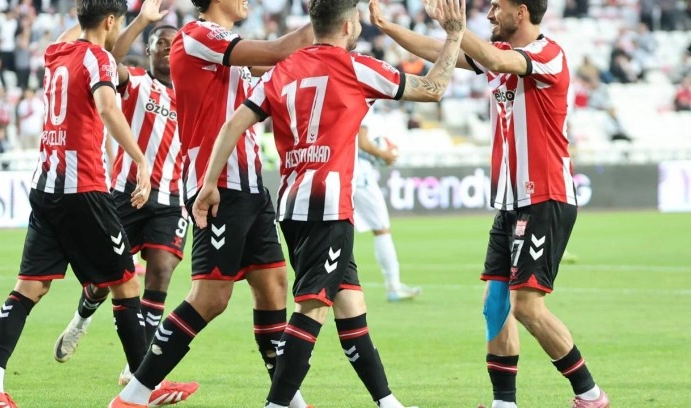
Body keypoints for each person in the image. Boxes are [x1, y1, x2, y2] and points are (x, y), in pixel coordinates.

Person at [195, 0, 465, 407]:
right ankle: (276, 403)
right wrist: (455, 35)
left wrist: (209, 183)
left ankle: (387, 402)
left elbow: (233, 123)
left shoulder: (282, 70)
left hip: (292, 205)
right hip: (328, 206)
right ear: (349, 25)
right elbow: (433, 88)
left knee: (351, 304)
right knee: (312, 308)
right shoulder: (356, 67)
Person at [368, 0, 610, 407]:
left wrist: (456, 28)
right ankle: (504, 403)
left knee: (527, 307)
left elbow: (493, 58)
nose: (490, 13)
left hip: (545, 196)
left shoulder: (547, 54)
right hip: (511, 201)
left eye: (497, 6)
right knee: (495, 304)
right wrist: (386, 27)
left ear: (521, 12)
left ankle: (590, 394)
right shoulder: (497, 56)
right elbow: (440, 49)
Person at [109, 0, 315, 407]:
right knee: (210, 297)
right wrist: (327, 15)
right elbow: (279, 50)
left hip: (250, 183)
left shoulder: (226, 48)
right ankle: (133, 395)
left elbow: (281, 61)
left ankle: (288, 402)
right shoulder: (197, 35)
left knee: (274, 287)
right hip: (218, 183)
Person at [0, 0, 162, 405]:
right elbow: (108, 107)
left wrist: (133, 18)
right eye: (118, 24)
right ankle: (143, 389)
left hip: (45, 186)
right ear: (109, 22)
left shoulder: (58, 51)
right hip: (84, 188)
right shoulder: (99, 59)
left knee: (29, 287)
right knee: (127, 283)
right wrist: (141, 160)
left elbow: (85, 35)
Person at [50, 0, 194, 396]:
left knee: (161, 272)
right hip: (124, 194)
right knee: (104, 280)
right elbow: (105, 60)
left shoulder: (192, 95)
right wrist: (142, 20)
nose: (168, 49)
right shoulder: (136, 82)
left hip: (170, 198)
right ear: (147, 51)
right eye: (160, 43)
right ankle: (82, 318)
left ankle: (138, 367)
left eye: (174, 44)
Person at [355, 116, 421, 301]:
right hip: (360, 176)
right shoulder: (365, 104)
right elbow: (362, 142)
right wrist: (384, 154)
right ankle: (394, 287)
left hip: (341, 171)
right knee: (382, 229)